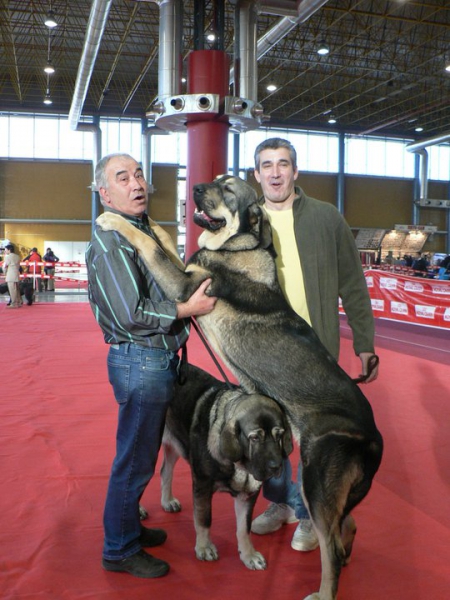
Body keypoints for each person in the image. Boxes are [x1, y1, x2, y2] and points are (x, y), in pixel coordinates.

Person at [86, 153, 217, 579]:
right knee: (135, 460)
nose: (136, 182)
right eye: (122, 178)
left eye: (138, 173)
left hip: (154, 360)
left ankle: (127, 531)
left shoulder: (141, 232)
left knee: (139, 456)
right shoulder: (110, 242)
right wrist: (187, 308)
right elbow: (131, 312)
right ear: (105, 194)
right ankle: (119, 549)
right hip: (140, 361)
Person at [250, 137, 379, 552]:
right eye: (266, 165)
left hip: (317, 349)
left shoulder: (326, 217)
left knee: (313, 437)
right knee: (268, 431)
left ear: (295, 171)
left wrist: (365, 342)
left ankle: (307, 512)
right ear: (256, 175)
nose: (275, 173)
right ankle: (281, 503)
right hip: (265, 350)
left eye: (282, 164)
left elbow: (353, 285)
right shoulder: (247, 222)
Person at [3, 244, 22, 308]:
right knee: (17, 289)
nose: (5, 251)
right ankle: (19, 302)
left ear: (9, 250)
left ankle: (13, 303)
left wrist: (4, 272)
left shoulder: (7, 257)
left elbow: (5, 266)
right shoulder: (17, 256)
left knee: (12, 290)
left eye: (6, 250)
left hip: (10, 275)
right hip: (16, 274)